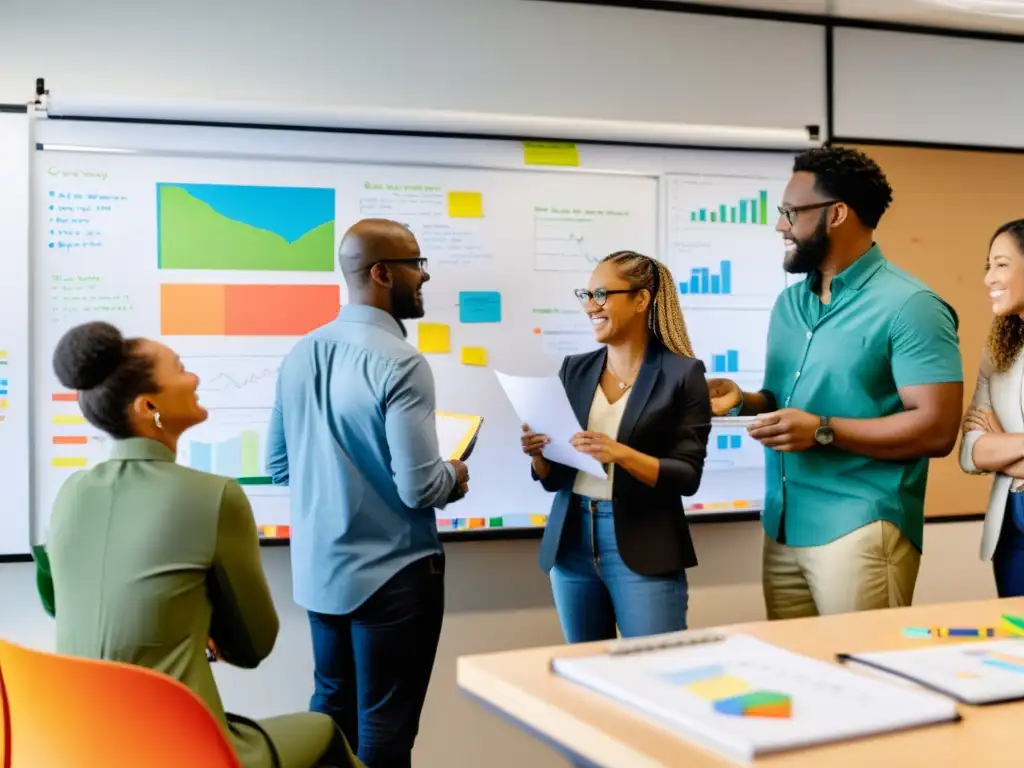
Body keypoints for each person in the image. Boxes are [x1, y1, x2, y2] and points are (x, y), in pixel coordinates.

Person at [32, 321, 358, 768]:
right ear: (149, 407)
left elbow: (57, 602)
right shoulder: (213, 496)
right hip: (183, 749)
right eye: (181, 369)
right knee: (325, 731)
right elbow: (252, 647)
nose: (195, 378)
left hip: (86, 746)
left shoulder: (70, 493)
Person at [707, 146, 963, 620]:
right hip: (783, 524)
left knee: (867, 680)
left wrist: (823, 430)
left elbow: (938, 429)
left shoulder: (912, 306)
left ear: (837, 213)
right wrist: (742, 401)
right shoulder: (789, 306)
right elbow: (787, 401)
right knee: (800, 680)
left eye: (790, 212)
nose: (780, 226)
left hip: (860, 527)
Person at [266, 218, 468, 768]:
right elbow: (420, 486)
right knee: (386, 730)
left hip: (321, 573)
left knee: (329, 721)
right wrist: (455, 473)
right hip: (394, 577)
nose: (424, 277)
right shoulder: (400, 362)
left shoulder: (300, 354)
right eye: (417, 265)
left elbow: (277, 466)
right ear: (382, 273)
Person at [520, 251, 711, 643]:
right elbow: (555, 478)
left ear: (641, 300)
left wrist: (618, 452)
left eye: (602, 294)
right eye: (586, 295)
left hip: (644, 545)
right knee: (585, 675)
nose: (591, 306)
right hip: (571, 542)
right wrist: (540, 455)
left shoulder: (683, 373)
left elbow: (687, 476)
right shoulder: (575, 369)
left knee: (657, 672)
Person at [960, 219, 1024, 598]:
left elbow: (990, 450)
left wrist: (1003, 443)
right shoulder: (998, 352)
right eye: (989, 266)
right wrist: (992, 444)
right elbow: (971, 451)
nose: (988, 278)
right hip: (1012, 537)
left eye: (1001, 264)